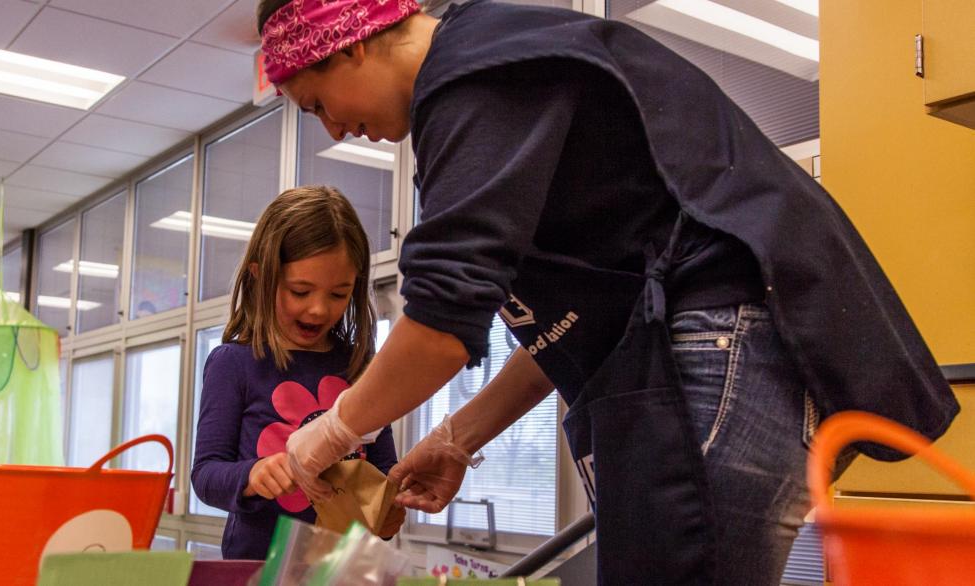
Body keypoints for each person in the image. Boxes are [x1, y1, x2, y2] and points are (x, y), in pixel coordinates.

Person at [258, 0, 958, 584]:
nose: (334, 127)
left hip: (718, 339)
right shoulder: (498, 81)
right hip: (683, 346)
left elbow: (440, 324)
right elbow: (571, 327)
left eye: (318, 103)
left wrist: (329, 434)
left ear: (346, 45)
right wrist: (455, 438)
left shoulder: (477, 76)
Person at [190, 186, 404, 560]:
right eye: (300, 291)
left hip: (343, 568)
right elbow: (206, 475)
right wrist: (253, 476)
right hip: (256, 567)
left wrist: (388, 513)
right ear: (260, 276)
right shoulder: (233, 363)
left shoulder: (358, 365)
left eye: (338, 295)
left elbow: (383, 473)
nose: (319, 309)